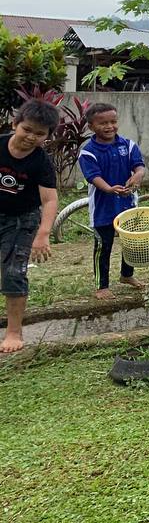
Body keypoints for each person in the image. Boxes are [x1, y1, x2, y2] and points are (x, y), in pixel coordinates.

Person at [0, 101, 60, 353]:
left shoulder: (40, 162)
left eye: (40, 134)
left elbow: (49, 200)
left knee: (13, 273)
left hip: (22, 221)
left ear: (47, 136)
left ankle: (13, 332)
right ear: (15, 124)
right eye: (27, 129)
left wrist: (42, 235)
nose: (31, 137)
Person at [77, 103, 147, 299]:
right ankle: (102, 286)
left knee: (131, 243)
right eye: (103, 123)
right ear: (91, 126)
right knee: (103, 247)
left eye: (113, 121)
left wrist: (138, 176)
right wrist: (109, 189)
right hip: (103, 208)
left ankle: (127, 275)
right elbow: (93, 176)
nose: (109, 126)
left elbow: (139, 166)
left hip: (127, 205)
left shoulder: (128, 145)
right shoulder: (88, 152)